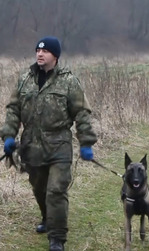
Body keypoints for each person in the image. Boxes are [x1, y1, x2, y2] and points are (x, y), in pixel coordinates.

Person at [0, 36, 97, 251]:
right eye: (37, 51)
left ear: (55, 56)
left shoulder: (69, 81)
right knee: (39, 188)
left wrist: (86, 142)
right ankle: (47, 216)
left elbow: (81, 112)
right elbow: (13, 109)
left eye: (45, 51)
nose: (40, 54)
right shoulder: (25, 79)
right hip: (31, 146)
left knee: (56, 191)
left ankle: (57, 238)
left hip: (59, 145)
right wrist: (8, 135)